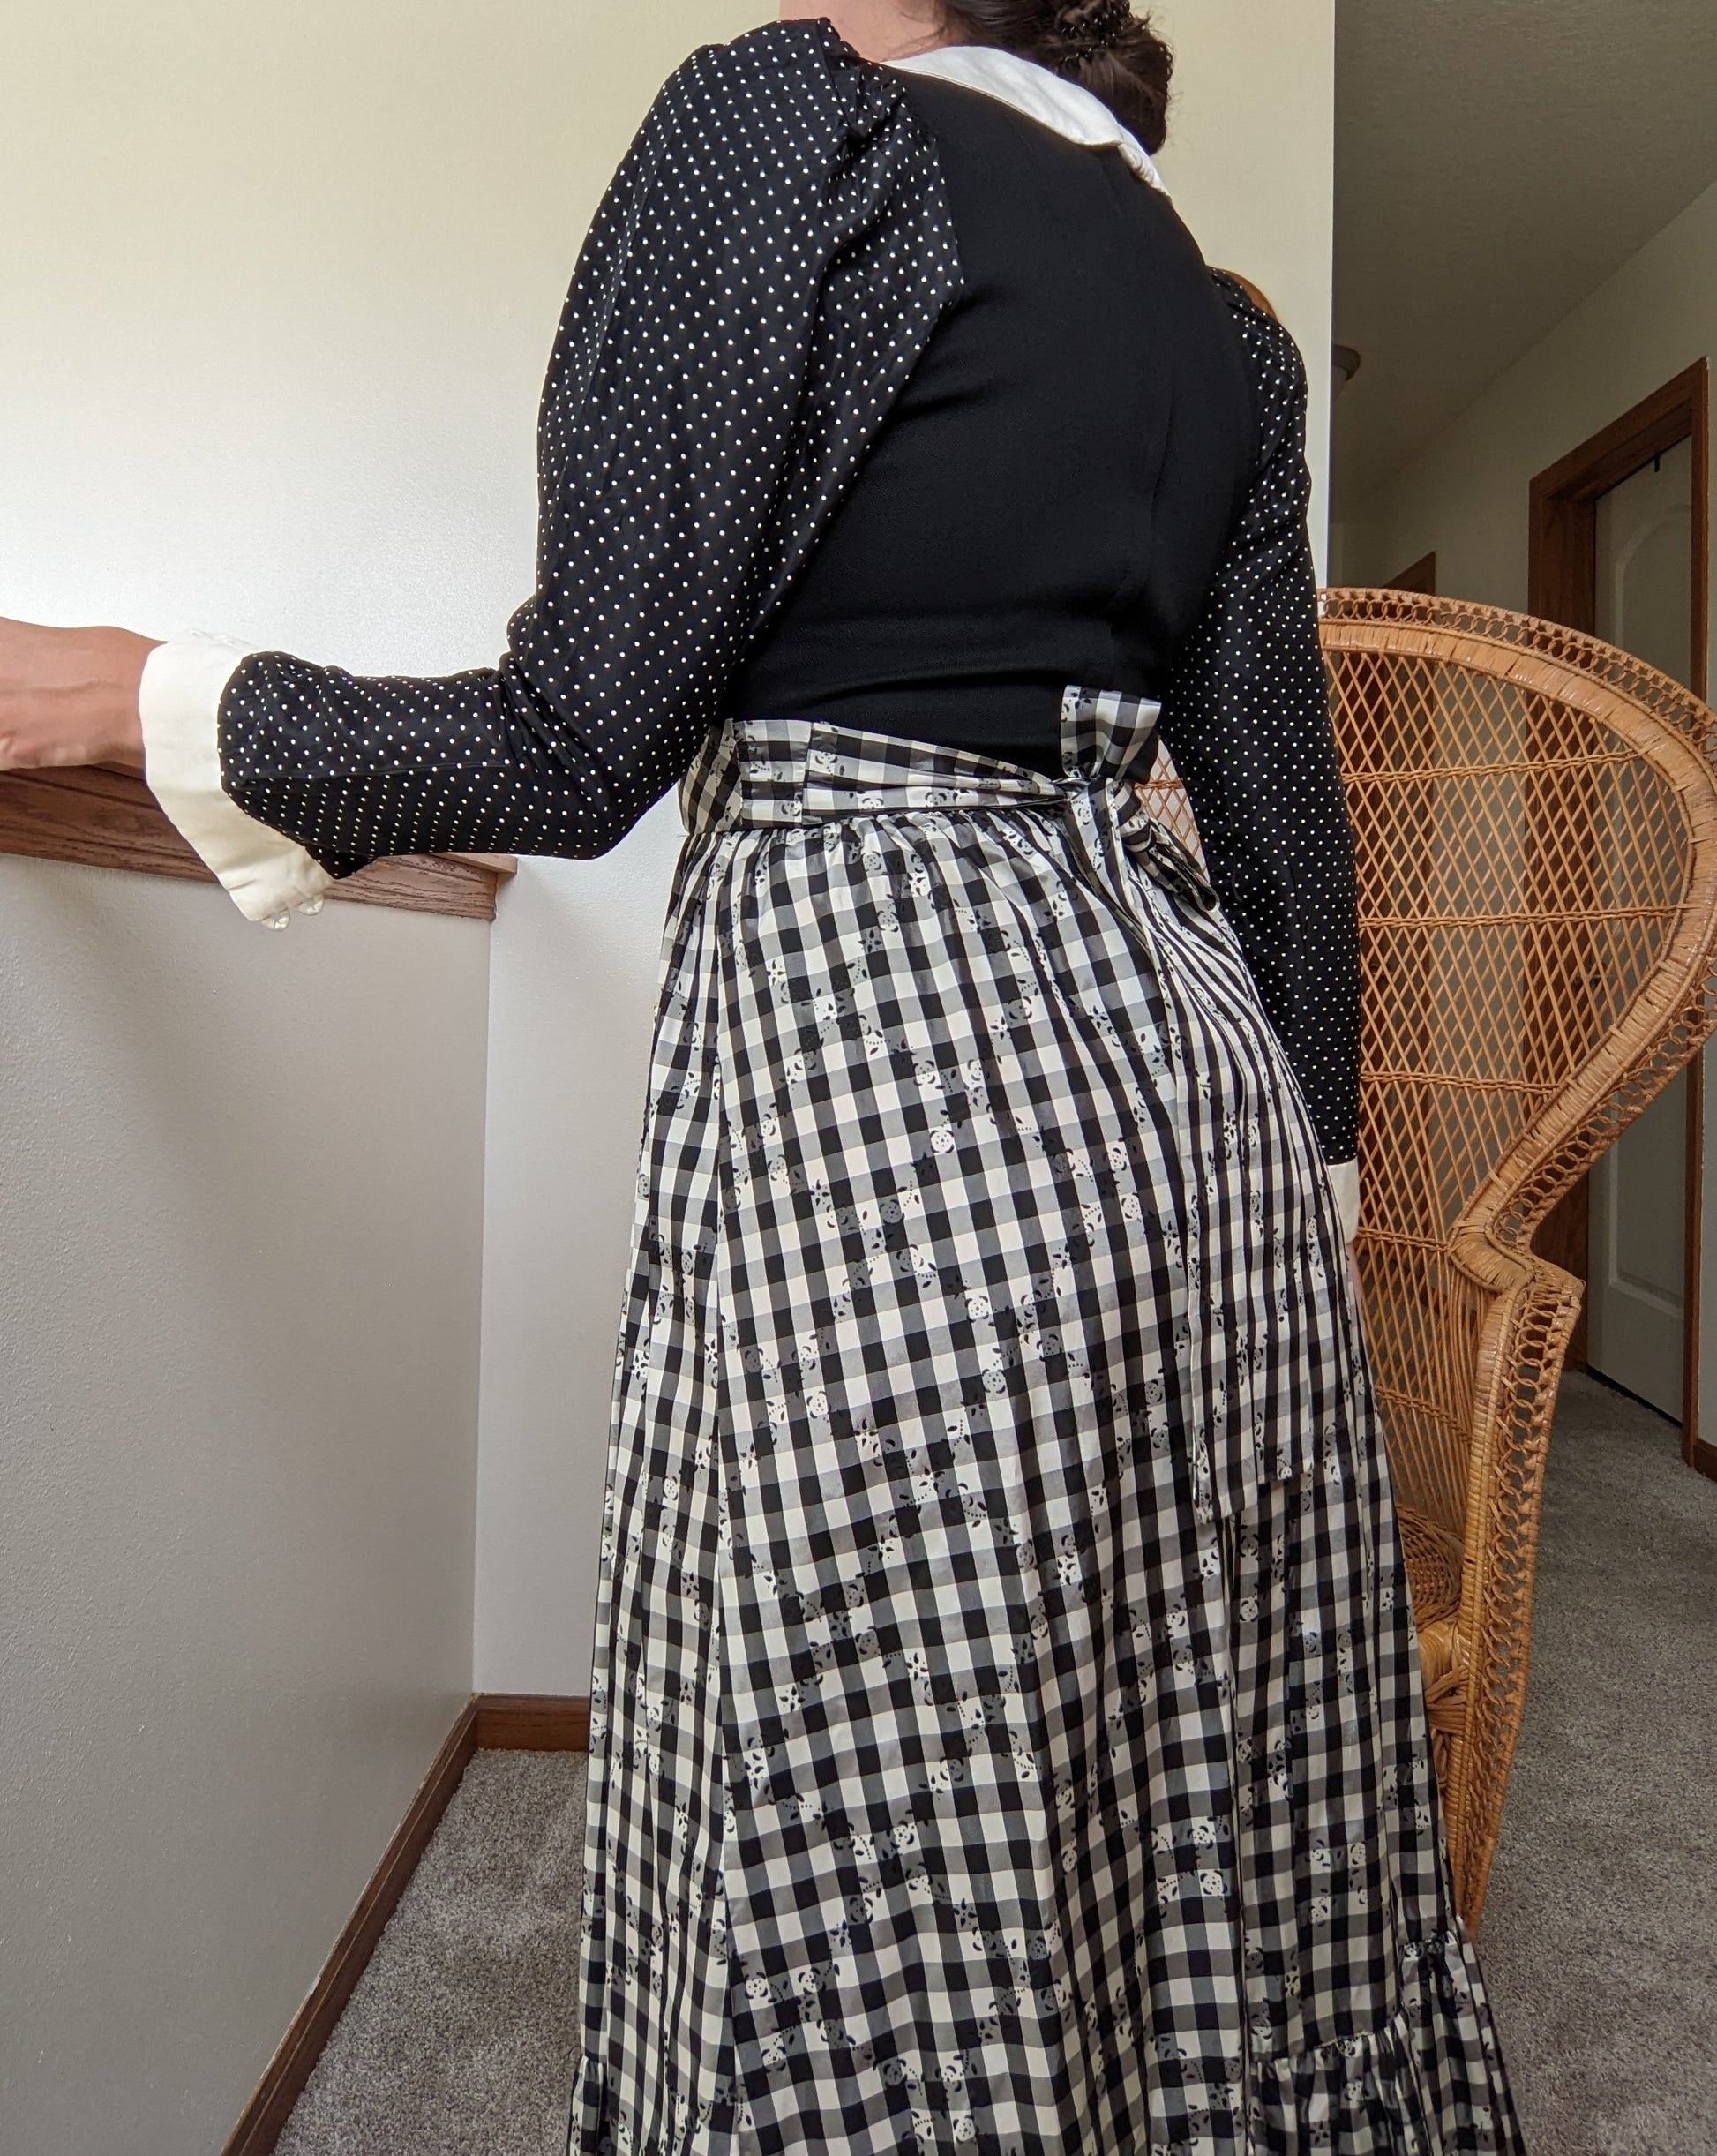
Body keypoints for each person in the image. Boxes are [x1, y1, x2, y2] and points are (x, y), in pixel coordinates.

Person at [0, 3, 1525, 2148]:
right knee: (1172, 1763)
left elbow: (576, 740)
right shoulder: (1226, 335)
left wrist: (144, 698)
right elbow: (1285, 835)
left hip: (902, 1073)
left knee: (892, 1782)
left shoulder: (793, 126)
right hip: (1212, 1127)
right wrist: (1318, 1184)